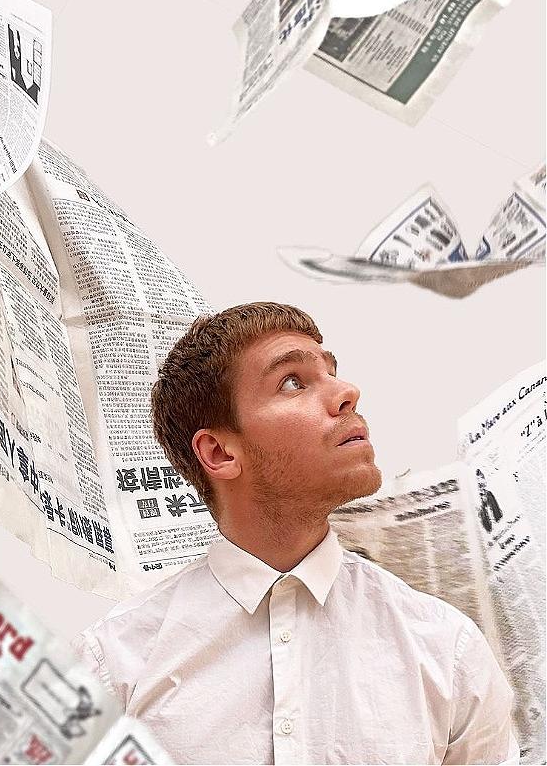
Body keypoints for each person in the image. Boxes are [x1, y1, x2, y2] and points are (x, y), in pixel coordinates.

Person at [73, 302, 518, 765]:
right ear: (220, 452)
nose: (348, 392)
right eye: (293, 381)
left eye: (333, 371)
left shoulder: (449, 651)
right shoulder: (112, 665)